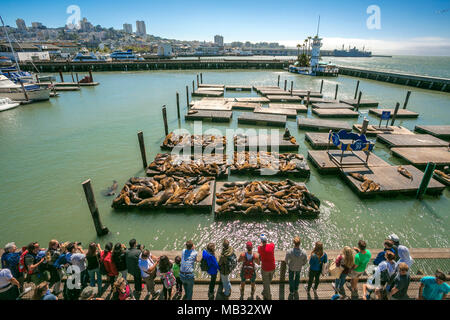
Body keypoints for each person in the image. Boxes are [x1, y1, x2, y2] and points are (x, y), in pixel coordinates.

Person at [258, 234, 275, 300]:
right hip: (272, 267)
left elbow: (259, 253)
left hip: (265, 268)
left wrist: (261, 245)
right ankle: (265, 290)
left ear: (261, 241)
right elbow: (272, 244)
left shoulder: (260, 248)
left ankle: (268, 297)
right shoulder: (271, 246)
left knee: (266, 283)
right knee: (269, 280)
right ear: (266, 240)